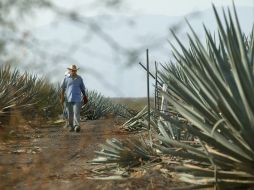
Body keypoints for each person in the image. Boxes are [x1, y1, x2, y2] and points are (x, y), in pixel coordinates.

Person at [60, 65, 87, 132]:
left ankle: (76, 126)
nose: (73, 71)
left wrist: (85, 96)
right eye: (72, 70)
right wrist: (62, 97)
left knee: (76, 112)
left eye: (75, 70)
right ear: (69, 70)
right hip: (68, 98)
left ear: (76, 71)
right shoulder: (66, 78)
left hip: (77, 98)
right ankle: (71, 126)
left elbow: (82, 88)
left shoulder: (79, 78)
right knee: (70, 113)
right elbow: (63, 89)